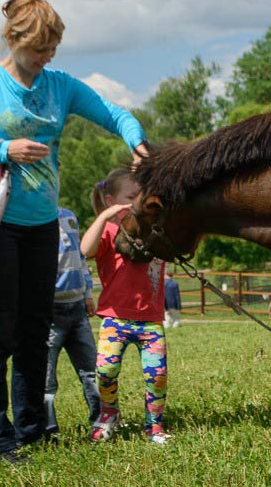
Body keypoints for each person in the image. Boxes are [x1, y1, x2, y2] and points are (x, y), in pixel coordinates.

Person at [0, 0, 148, 464]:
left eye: (52, 49)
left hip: (41, 228)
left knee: (35, 332)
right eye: (38, 50)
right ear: (12, 39)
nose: (46, 58)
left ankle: (33, 431)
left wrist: (137, 143)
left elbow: (116, 114)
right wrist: (1, 151)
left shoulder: (60, 86)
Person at [81, 168, 171, 445]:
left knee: (156, 376)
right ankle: (109, 415)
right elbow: (84, 250)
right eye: (130, 197)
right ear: (111, 200)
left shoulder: (155, 230)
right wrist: (104, 217)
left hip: (150, 320)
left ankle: (154, 425)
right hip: (114, 319)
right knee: (106, 372)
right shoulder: (109, 230)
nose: (137, 202)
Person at [43, 207, 101, 442]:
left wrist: (87, 293)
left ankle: (101, 422)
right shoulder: (32, 218)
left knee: (92, 370)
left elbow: (80, 257)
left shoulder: (69, 216)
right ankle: (48, 429)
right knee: (46, 378)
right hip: (50, 312)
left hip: (77, 308)